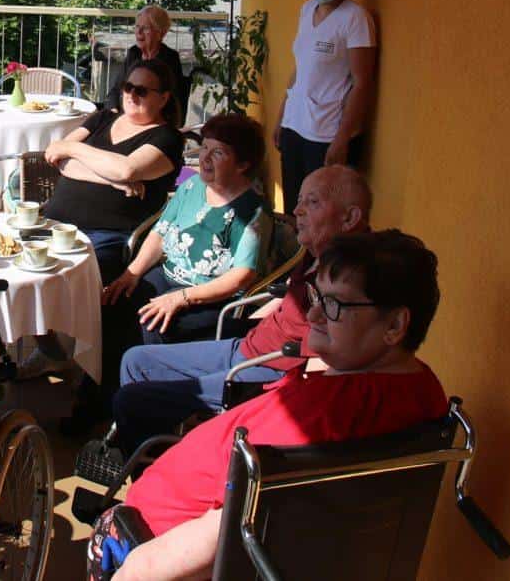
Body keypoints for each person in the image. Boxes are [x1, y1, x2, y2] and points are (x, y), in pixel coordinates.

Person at [99, 229, 446, 581]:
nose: (312, 317)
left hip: (149, 542)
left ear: (394, 325)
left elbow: (229, 530)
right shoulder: (423, 392)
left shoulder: (325, 416)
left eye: (335, 305)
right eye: (316, 297)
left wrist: (138, 570)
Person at [110, 165, 371, 454]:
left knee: (132, 400)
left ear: (349, 217)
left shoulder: (351, 278)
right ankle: (154, 458)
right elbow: (289, 301)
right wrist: (255, 323)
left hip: (270, 372)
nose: (297, 211)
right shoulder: (317, 252)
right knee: (135, 361)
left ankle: (157, 467)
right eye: (299, 200)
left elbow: (335, 359)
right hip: (249, 346)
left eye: (313, 202)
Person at [102, 113, 270, 347]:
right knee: (111, 302)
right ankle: (103, 382)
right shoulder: (192, 185)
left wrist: (181, 298)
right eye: (204, 148)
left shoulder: (252, 212)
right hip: (167, 276)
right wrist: (131, 274)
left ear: (243, 164)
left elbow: (242, 275)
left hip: (210, 296)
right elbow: (160, 233)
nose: (205, 158)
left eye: (218, 152)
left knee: (151, 322)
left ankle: (147, 381)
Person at [43, 59, 186, 286]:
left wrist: (73, 148)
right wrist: (112, 180)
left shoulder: (168, 138)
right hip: (52, 223)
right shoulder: (103, 119)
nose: (131, 95)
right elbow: (56, 157)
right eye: (127, 87)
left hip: (103, 236)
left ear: (164, 98)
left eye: (141, 91)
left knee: (64, 281)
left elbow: (127, 169)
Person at [273, 0, 377, 214]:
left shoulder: (355, 18)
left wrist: (343, 137)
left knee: (321, 212)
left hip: (325, 131)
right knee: (294, 210)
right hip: (295, 124)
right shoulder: (307, 11)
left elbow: (362, 81)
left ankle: (319, 259)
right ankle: (297, 259)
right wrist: (282, 117)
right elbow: (300, 68)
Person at [105, 5, 188, 120]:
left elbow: (170, 104)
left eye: (145, 28)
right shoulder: (133, 53)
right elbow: (116, 89)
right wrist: (113, 110)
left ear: (161, 33)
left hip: (149, 121)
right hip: (123, 116)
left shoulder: (169, 59)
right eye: (137, 26)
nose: (138, 32)